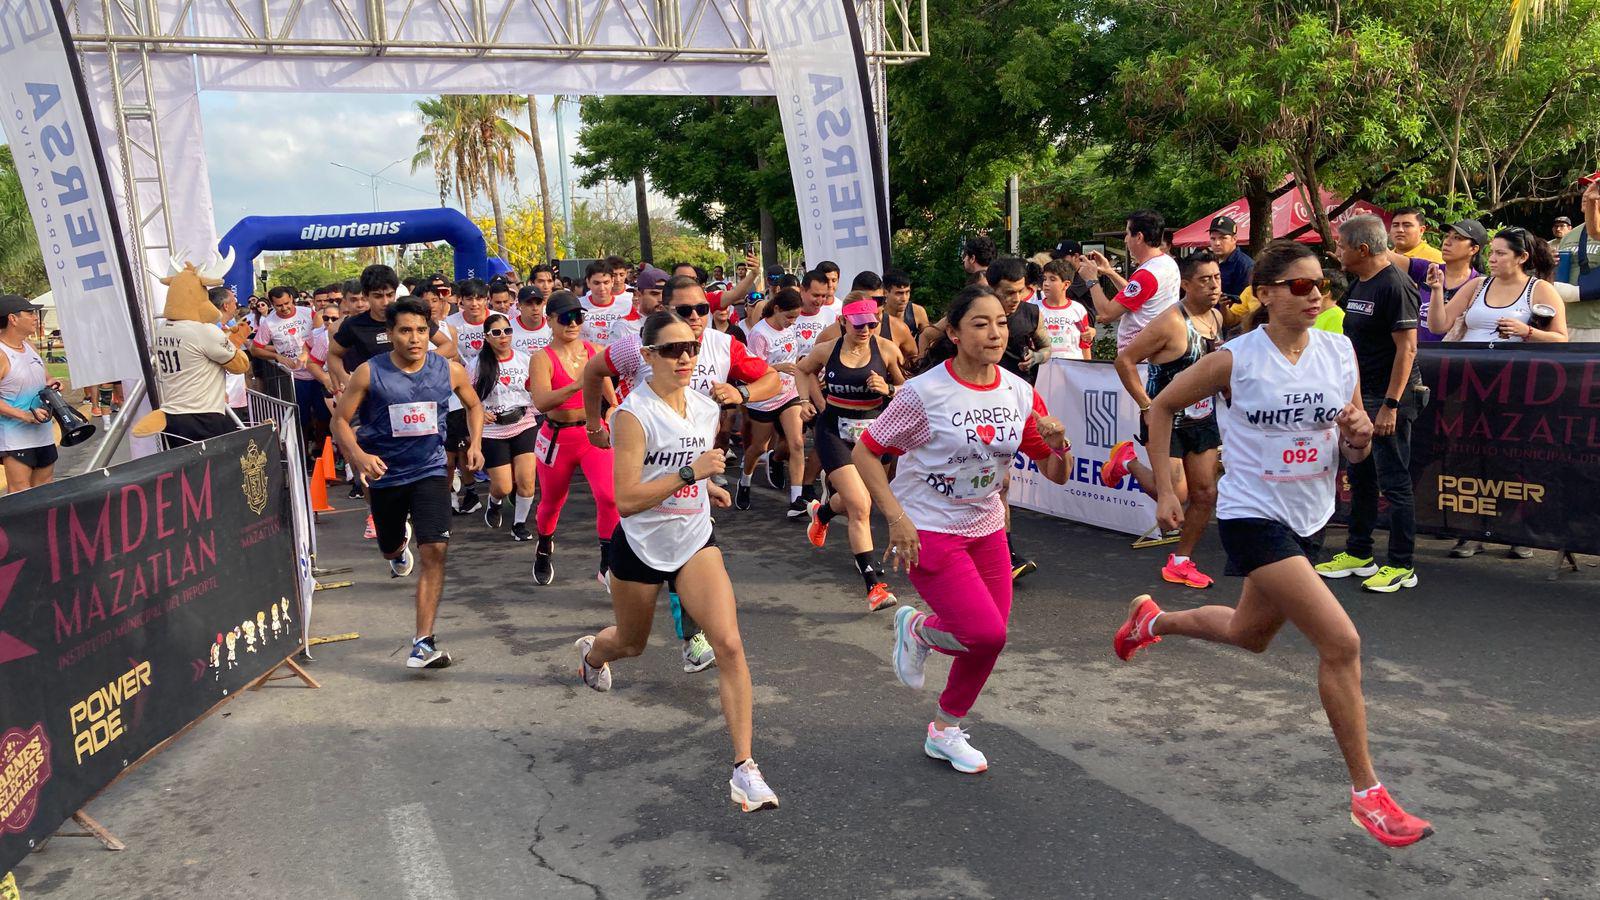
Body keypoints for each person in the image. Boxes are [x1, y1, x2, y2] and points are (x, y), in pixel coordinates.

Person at [1113, 239, 1435, 849]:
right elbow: (1161, 407)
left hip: (1311, 514)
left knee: (1248, 635)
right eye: (1300, 286)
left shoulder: (1339, 352)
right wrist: (1163, 490)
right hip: (1253, 514)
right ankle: (1369, 795)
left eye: (1322, 286)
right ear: (1264, 293)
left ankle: (1152, 622)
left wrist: (1361, 435)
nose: (1315, 295)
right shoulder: (1236, 359)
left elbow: (1353, 443)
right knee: (1342, 643)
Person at [854, 285, 1070, 773]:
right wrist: (897, 518)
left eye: (1000, 322)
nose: (995, 332)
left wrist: (1060, 444)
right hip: (928, 527)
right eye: (980, 323)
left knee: (990, 638)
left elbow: (1054, 471)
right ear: (953, 332)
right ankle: (920, 630)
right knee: (985, 634)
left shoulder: (1018, 391)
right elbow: (866, 451)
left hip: (987, 525)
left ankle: (944, 729)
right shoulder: (923, 392)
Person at [574, 310, 779, 813]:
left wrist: (707, 486)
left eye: (690, 347)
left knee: (729, 643)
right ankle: (592, 656)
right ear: (647, 357)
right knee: (631, 643)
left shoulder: (706, 408)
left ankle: (745, 769)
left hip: (693, 540)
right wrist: (693, 471)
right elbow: (626, 499)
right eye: (671, 349)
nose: (685, 356)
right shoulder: (632, 415)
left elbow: (687, 465)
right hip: (641, 545)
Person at [580, 275, 780, 673]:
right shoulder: (636, 348)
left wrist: (742, 395)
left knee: (698, 570)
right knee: (631, 641)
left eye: (702, 309)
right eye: (684, 311)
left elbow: (772, 379)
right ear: (665, 311)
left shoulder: (725, 345)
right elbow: (591, 371)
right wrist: (593, 427)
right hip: (647, 470)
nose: (694, 318)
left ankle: (693, 637)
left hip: (696, 474)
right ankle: (604, 650)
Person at [331, 296, 484, 670]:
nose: (415, 338)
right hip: (384, 474)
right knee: (389, 545)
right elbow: (339, 421)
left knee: (435, 551)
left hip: (431, 469)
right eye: (405, 331)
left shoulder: (448, 370)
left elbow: (474, 405)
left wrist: (476, 443)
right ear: (390, 334)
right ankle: (397, 550)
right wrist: (359, 456)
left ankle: (423, 642)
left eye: (421, 330)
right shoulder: (370, 372)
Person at [1315, 215, 1422, 593]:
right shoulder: (1360, 282)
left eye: (1342, 245)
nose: (1338, 251)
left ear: (1362, 249)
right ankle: (1360, 552)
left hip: (1390, 397)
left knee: (1394, 482)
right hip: (1361, 395)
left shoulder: (1396, 284)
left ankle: (1402, 564)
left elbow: (1407, 349)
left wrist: (1390, 405)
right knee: (1361, 478)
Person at [1107, 251, 1226, 588]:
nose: (1214, 285)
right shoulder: (1171, 321)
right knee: (1176, 494)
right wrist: (1146, 404)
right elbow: (1125, 360)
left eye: (1217, 277)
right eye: (1205, 280)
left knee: (1205, 494)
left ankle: (1181, 560)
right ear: (1186, 285)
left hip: (1202, 419)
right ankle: (1127, 461)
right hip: (1167, 419)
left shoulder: (1216, 318)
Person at [797, 297, 907, 611]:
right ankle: (874, 586)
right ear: (844, 322)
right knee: (860, 505)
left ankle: (823, 514)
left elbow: (908, 388)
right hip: (834, 432)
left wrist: (887, 389)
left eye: (872, 323)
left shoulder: (885, 349)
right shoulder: (826, 350)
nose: (867, 329)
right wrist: (808, 401)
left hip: (873, 437)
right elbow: (803, 372)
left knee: (854, 498)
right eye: (860, 324)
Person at [530, 291, 621, 585]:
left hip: (591, 433)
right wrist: (577, 386)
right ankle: (544, 545)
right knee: (553, 501)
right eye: (566, 318)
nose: (573, 323)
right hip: (558, 437)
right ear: (550, 321)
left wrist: (612, 411)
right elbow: (542, 402)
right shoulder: (541, 358)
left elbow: (609, 389)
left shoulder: (594, 350)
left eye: (578, 317)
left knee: (609, 497)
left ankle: (607, 562)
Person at [737, 288, 811, 512]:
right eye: (789, 317)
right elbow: (750, 370)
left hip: (789, 393)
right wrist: (778, 367)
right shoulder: (759, 333)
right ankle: (745, 480)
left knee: (797, 443)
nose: (792, 322)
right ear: (776, 309)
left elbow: (793, 356)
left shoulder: (791, 327)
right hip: (765, 396)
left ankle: (796, 499)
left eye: (796, 318)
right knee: (758, 447)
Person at [468, 312, 540, 541]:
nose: (503, 337)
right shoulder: (477, 364)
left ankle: (519, 524)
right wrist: (480, 410)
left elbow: (535, 389)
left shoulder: (524, 359)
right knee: (503, 487)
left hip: (524, 423)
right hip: (493, 431)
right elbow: (466, 396)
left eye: (507, 331)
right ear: (487, 337)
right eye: (496, 333)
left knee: (527, 482)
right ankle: (494, 502)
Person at [1080, 209, 1181, 351]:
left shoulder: (1147, 274)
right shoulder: (1166, 263)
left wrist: (1091, 280)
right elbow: (1137, 297)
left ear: (1139, 237)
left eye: (1127, 233)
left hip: (1140, 358)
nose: (1126, 239)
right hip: (1154, 349)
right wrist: (1109, 272)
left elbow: (1106, 314)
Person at [1385, 219, 1486, 343]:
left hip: (1454, 358)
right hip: (1419, 354)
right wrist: (1366, 227)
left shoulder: (1480, 285)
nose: (1447, 242)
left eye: (1457, 238)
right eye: (1447, 236)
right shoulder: (1429, 270)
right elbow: (1385, 256)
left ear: (1473, 249)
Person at [0, 296, 62, 492]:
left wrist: (54, 383)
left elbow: (46, 378)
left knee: (45, 492)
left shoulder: (29, 346)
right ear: (13, 319)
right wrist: (24, 416)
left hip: (43, 433)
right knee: (21, 495)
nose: (36, 318)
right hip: (15, 438)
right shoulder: (2, 353)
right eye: (30, 313)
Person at [1555, 175, 1600, 342]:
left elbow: (1595, 231)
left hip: (1596, 326)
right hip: (1567, 323)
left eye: (1596, 188)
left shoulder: (1594, 231)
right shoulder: (1570, 235)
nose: (1587, 193)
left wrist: (1592, 203)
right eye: (1585, 189)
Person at [251, 286, 313, 404]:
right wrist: (277, 356)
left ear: (291, 298)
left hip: (318, 370)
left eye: (287, 303)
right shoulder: (268, 323)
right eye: (279, 305)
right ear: (272, 304)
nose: (284, 308)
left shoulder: (309, 313)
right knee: (302, 416)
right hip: (294, 377)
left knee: (323, 415)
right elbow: (255, 349)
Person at [1034, 258, 1094, 362]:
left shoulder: (1078, 310)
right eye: (1045, 279)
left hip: (1072, 369)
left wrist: (1087, 369)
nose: (1046, 283)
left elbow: (1085, 342)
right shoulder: (1034, 309)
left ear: (1066, 284)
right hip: (1043, 369)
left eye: (1052, 279)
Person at [881, 269, 929, 368]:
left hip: (913, 365)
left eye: (907, 292)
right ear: (885, 293)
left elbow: (928, 340)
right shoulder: (878, 314)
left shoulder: (918, 312)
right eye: (899, 293)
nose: (904, 298)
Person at [580, 260, 630, 346]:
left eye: (606, 282)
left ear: (612, 281)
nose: (602, 288)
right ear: (588, 282)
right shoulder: (577, 305)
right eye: (596, 283)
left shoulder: (627, 306)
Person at [1208, 216, 1254, 298]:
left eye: (1223, 238)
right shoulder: (1209, 262)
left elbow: (1244, 303)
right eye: (1213, 238)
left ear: (1234, 239)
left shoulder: (1245, 266)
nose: (1217, 243)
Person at [509, 284, 552, 356]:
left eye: (538, 303)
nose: (535, 308)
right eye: (529, 303)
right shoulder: (508, 329)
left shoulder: (553, 327)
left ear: (543, 304)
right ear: (519, 306)